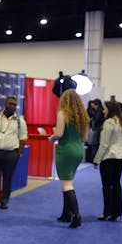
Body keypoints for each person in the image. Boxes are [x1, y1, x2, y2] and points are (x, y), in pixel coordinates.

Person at [49, 89, 90, 228]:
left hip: (65, 150)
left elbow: (59, 134)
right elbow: (85, 138)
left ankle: (76, 216)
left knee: (67, 185)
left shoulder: (62, 114)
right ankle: (66, 214)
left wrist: (51, 138)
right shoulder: (84, 116)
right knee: (68, 182)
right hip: (78, 151)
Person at [93, 101, 122, 220]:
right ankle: (117, 212)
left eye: (105, 109)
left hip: (110, 157)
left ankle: (107, 212)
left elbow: (104, 145)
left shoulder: (109, 122)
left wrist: (96, 160)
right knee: (116, 184)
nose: (103, 111)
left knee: (106, 186)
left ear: (111, 110)